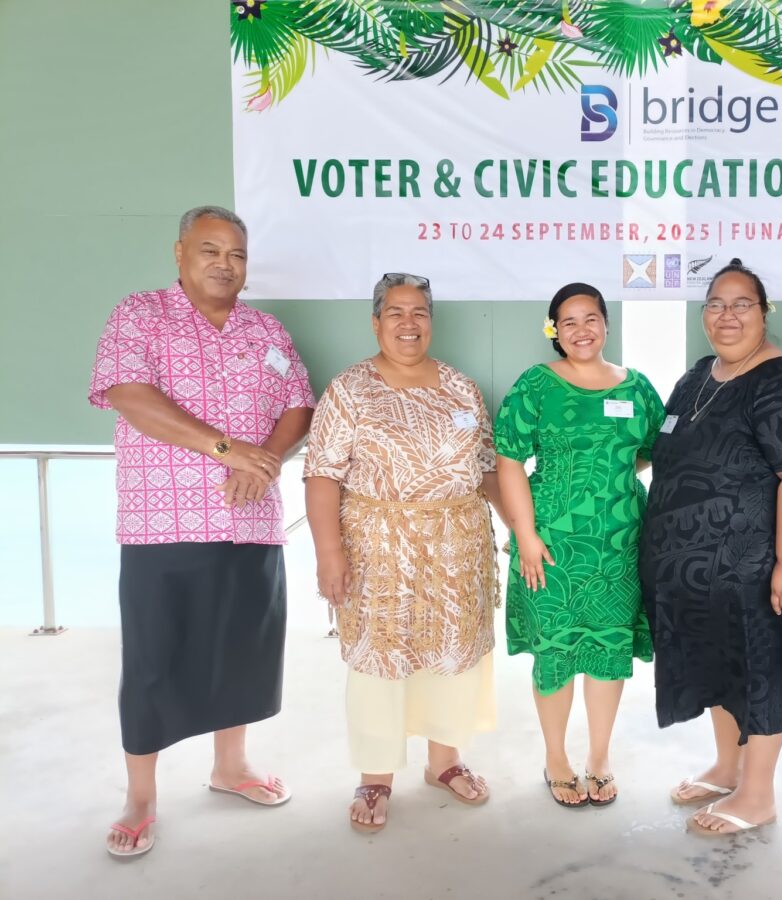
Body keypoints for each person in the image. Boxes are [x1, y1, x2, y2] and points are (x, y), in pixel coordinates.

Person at [88, 205, 315, 858]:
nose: (225, 263)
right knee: (156, 659)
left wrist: (264, 458)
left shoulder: (265, 329)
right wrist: (227, 450)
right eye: (210, 250)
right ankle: (141, 797)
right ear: (180, 253)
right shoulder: (140, 314)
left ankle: (231, 767)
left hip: (250, 521)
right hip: (165, 522)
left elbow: (299, 403)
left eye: (236, 254)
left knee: (241, 648)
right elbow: (127, 393)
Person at [639, 258, 782, 836]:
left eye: (741, 304)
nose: (727, 316)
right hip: (700, 579)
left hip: (757, 569)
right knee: (723, 669)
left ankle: (757, 795)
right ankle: (728, 767)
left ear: (763, 312)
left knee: (762, 670)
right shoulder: (699, 375)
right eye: (716, 305)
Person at [304, 273, 507, 832]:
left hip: (456, 548)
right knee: (380, 659)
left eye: (419, 312)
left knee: (452, 655)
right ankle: (376, 776)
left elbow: (488, 470)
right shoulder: (350, 390)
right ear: (376, 322)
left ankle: (444, 762)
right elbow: (321, 474)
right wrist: (328, 554)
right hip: (377, 548)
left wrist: (522, 527)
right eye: (395, 312)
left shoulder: (461, 388)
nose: (408, 323)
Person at [495, 283, 664, 808]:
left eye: (590, 318)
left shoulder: (636, 387)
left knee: (608, 651)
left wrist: (604, 484)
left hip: (618, 545)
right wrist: (524, 533)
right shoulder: (536, 386)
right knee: (556, 651)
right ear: (554, 331)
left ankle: (598, 757)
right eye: (568, 322)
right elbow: (508, 459)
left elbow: (651, 450)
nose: (581, 330)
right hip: (549, 547)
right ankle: (556, 758)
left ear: (606, 324)